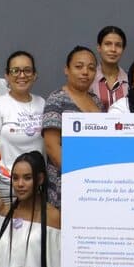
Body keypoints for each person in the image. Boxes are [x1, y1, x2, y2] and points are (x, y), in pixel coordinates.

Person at [0, 51, 46, 202]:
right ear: (7, 76)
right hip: (6, 186)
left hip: (36, 186)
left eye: (27, 70)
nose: (21, 75)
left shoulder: (43, 104)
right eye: (15, 71)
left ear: (34, 75)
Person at [42, 46, 102, 207]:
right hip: (67, 183)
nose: (85, 72)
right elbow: (52, 147)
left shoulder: (96, 100)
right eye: (78, 66)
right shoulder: (57, 99)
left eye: (91, 68)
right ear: (66, 70)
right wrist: (78, 176)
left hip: (96, 183)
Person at [93, 26, 130, 111]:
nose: (113, 49)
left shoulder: (132, 81)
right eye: (108, 44)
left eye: (118, 45)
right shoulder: (88, 79)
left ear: (123, 49)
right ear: (99, 47)